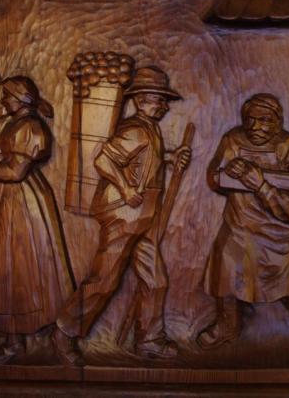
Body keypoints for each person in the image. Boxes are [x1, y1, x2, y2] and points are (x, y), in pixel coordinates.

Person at [52, 66, 191, 364]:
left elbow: (144, 162)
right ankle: (65, 331)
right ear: (140, 100)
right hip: (124, 214)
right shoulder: (134, 130)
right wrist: (126, 189)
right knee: (105, 280)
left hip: (145, 216)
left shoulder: (149, 128)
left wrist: (170, 158)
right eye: (158, 99)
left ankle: (149, 340)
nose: (164, 106)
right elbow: (103, 160)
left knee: (156, 280)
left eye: (165, 101)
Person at [0, 76, 77, 365]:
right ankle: (14, 340)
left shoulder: (31, 128)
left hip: (23, 203)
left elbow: (15, 172)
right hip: (8, 199)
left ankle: (42, 331)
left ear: (21, 98)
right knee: (7, 267)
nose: (3, 101)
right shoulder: (12, 122)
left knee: (23, 265)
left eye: (7, 96)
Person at [197, 93, 289, 350]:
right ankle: (227, 324)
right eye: (250, 119)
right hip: (239, 227)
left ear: (278, 122)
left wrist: (260, 185)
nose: (255, 127)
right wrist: (227, 173)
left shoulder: (288, 147)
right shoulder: (233, 139)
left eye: (265, 120)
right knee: (226, 263)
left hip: (278, 233)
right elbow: (213, 178)